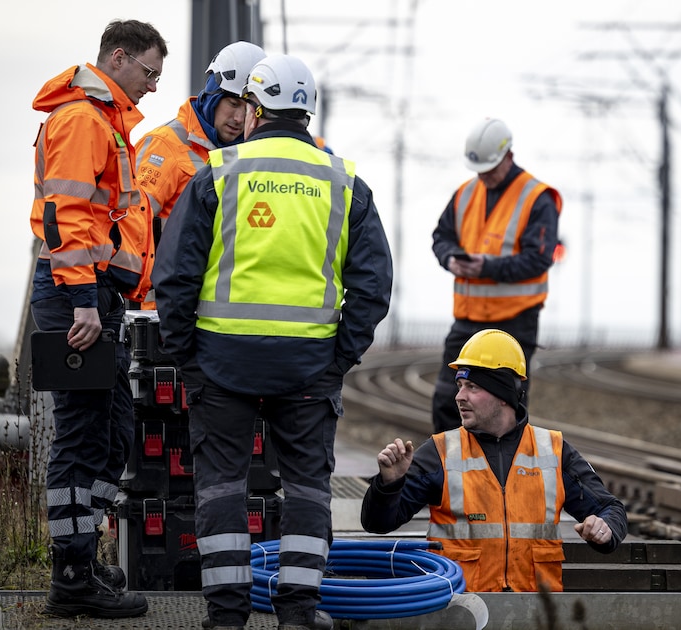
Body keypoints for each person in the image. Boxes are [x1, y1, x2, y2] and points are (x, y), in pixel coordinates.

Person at [153, 54, 393, 630]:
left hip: (221, 361)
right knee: (309, 489)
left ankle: (228, 617)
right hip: (308, 367)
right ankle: (298, 615)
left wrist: (188, 353)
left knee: (220, 491)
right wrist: (339, 357)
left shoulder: (219, 171)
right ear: (307, 113)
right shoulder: (343, 182)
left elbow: (174, 276)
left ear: (255, 110)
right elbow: (373, 286)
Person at [28, 19, 167, 619]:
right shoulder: (84, 121)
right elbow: (66, 214)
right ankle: (72, 577)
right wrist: (85, 297)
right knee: (82, 436)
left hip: (94, 296)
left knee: (111, 434)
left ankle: (85, 555)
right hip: (73, 296)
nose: (153, 87)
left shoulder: (105, 123)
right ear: (119, 57)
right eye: (149, 72)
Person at [360, 329, 627, 593]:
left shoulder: (553, 451)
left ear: (503, 395)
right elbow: (378, 523)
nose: (459, 397)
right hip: (461, 611)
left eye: (472, 387)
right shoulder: (440, 452)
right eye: (459, 385)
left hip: (535, 612)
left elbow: (611, 509)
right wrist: (389, 484)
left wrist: (604, 530)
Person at [429, 118, 562, 433]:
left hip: (514, 321)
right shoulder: (465, 194)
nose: (484, 177)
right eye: (479, 170)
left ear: (508, 156)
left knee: (505, 408)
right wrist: (450, 259)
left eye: (490, 169)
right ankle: (448, 474)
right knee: (449, 399)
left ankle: (504, 475)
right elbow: (441, 237)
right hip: (468, 320)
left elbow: (538, 258)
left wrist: (485, 268)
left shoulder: (536, 198)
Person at [133, 40, 266, 309]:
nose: (239, 118)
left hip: (212, 313)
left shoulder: (247, 156)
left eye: (248, 108)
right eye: (232, 104)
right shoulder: (165, 145)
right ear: (212, 96)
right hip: (160, 311)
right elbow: (133, 226)